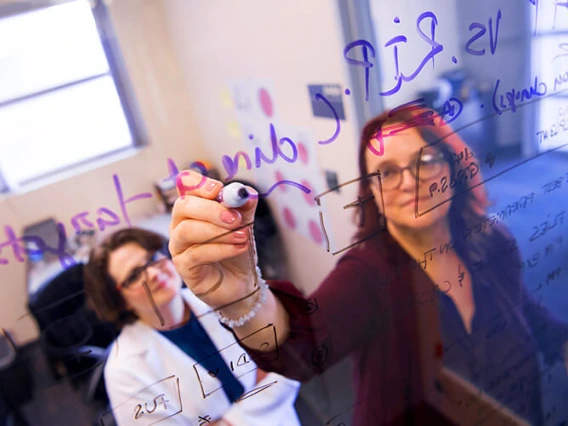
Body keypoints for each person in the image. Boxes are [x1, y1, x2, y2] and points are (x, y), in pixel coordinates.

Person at [168, 105, 568, 426]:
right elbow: (306, 347)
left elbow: (522, 307)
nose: (409, 181)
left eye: (425, 159)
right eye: (387, 172)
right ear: (372, 192)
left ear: (451, 166)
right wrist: (244, 300)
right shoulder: (368, 273)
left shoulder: (492, 241)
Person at [83, 227, 301, 426]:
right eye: (133, 275)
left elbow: (289, 362)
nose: (152, 273)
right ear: (119, 300)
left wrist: (222, 422)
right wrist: (259, 395)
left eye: (152, 258)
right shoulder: (124, 369)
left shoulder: (223, 295)